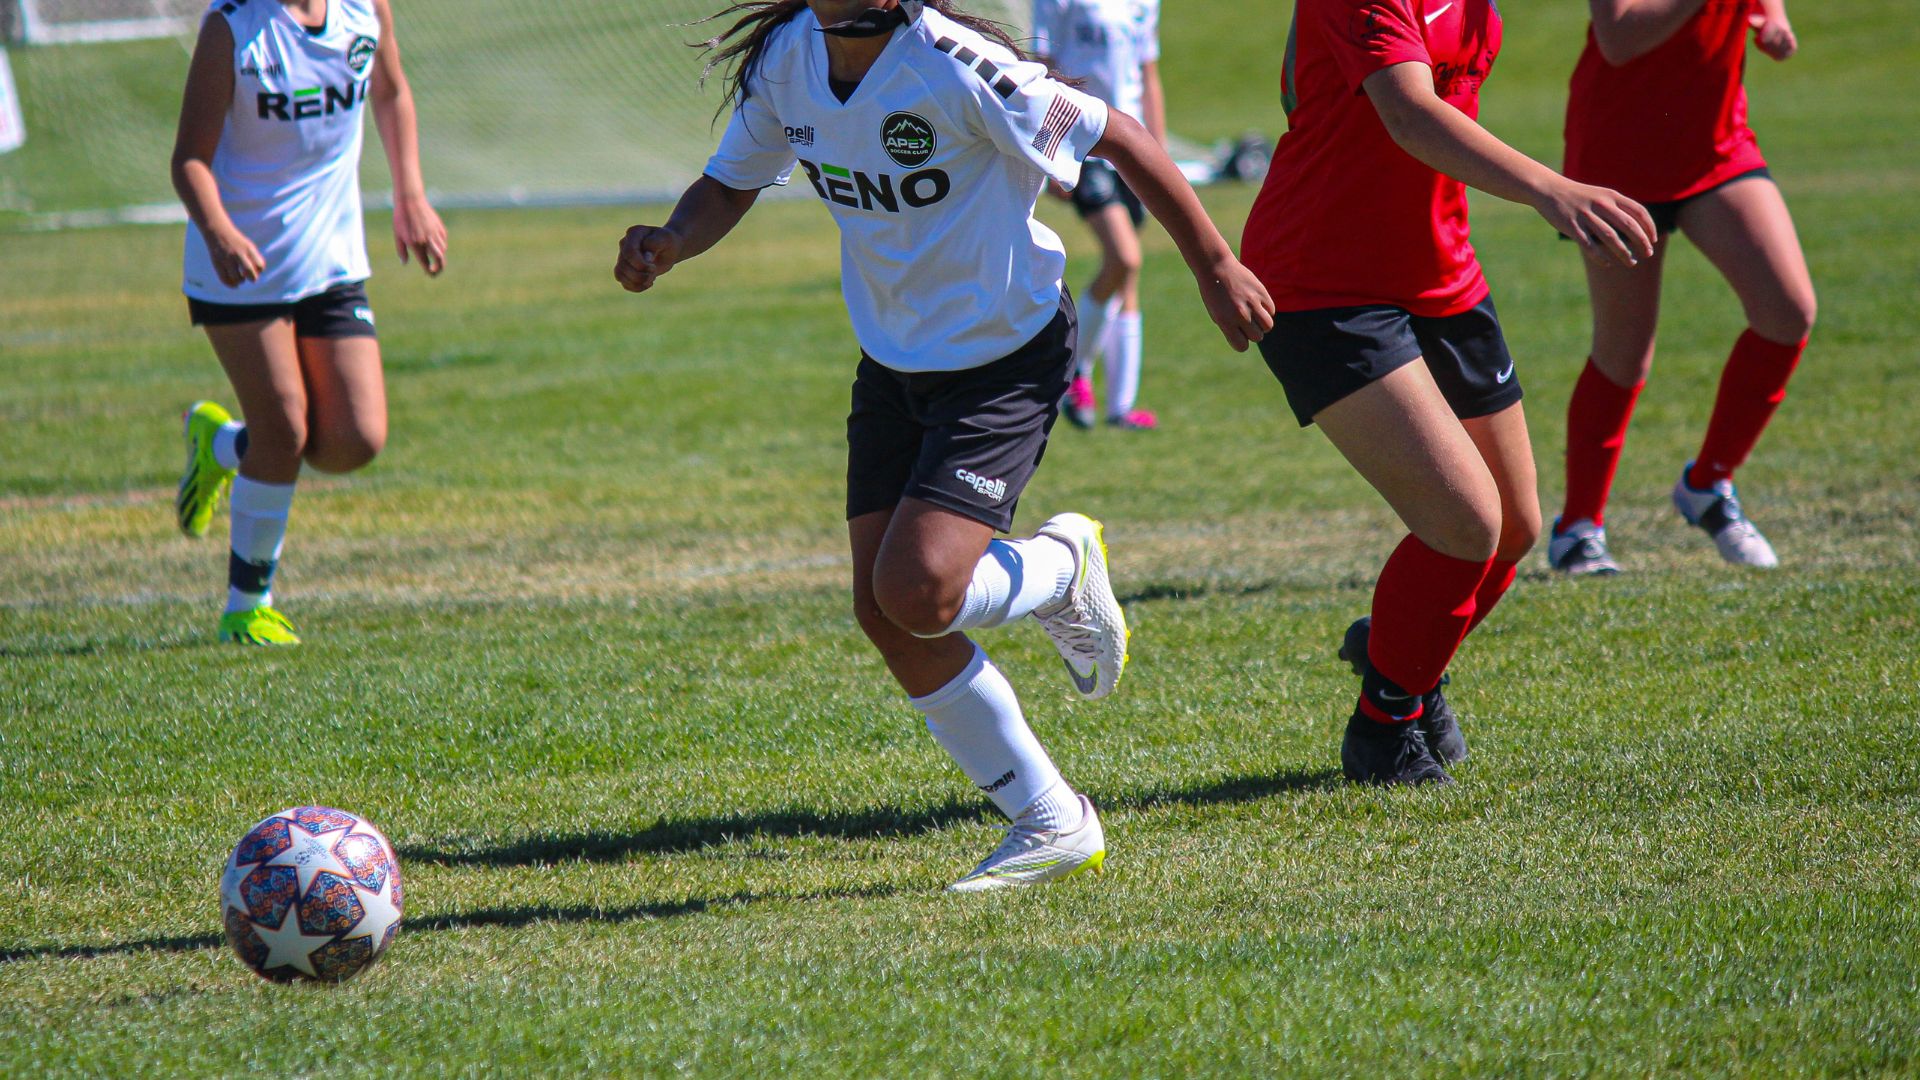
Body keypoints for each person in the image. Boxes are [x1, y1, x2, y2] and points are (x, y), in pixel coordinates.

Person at [620, 0, 1272, 887]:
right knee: (881, 610)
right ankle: (1049, 820)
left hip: (1005, 356)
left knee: (919, 591)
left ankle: (1056, 569)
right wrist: (671, 240)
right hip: (892, 360)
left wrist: (1214, 264)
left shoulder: (960, 67)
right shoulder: (788, 58)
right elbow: (735, 179)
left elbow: (1119, 135)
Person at [1241, 0, 1655, 783]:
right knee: (1465, 522)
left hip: (1443, 275)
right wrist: (1549, 188)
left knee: (1515, 528)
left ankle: (1402, 654)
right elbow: (1408, 112)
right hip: (1323, 283)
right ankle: (1383, 727)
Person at [170, 0, 446, 644]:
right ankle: (245, 606)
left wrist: (409, 196)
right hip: (241, 265)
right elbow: (189, 158)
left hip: (331, 261)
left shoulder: (363, 9)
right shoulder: (232, 26)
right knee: (286, 428)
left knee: (353, 441)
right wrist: (217, 232)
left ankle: (221, 446)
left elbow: (393, 91)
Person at [1548, 0, 1814, 575]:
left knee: (1788, 311)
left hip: (1715, 143)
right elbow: (1617, 35)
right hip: (1619, 149)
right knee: (1624, 350)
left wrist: (1772, 17)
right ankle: (1578, 529)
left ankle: (1709, 485)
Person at [1030, 0, 1164, 431]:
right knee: (1123, 258)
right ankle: (1075, 373)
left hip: (1133, 144)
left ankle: (1121, 408)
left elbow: (1148, 75)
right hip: (1085, 143)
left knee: (1128, 280)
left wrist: (1156, 155)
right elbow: (1045, 68)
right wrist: (1046, 148)